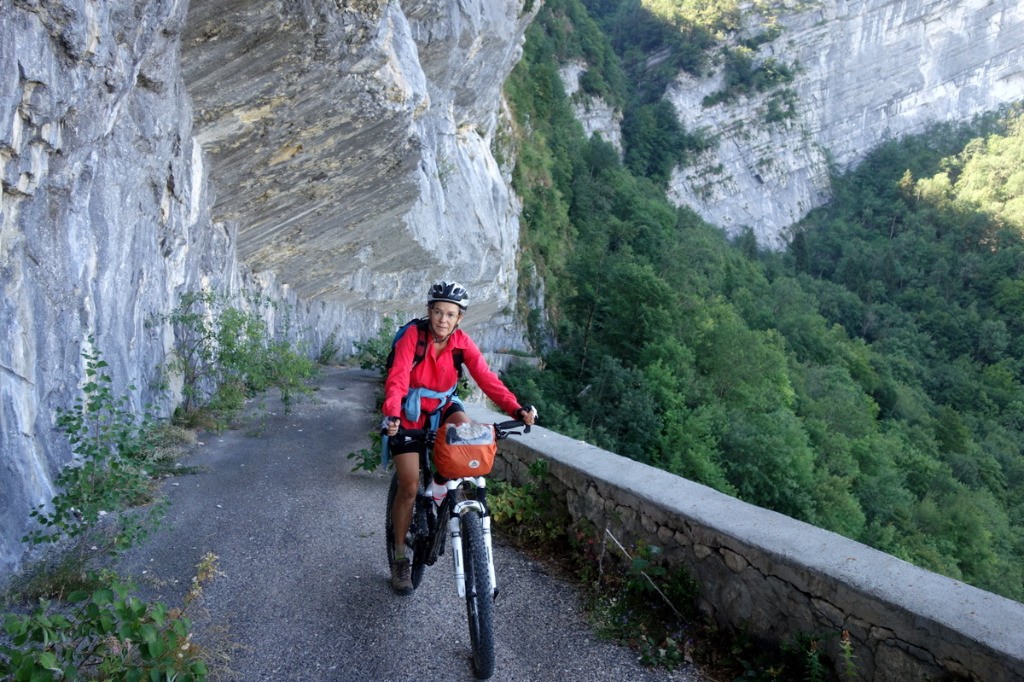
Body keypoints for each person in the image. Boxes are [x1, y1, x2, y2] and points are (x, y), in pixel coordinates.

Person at [381, 280, 536, 595]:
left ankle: (443, 495)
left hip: (443, 405)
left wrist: (516, 409)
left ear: (459, 318)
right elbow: (398, 377)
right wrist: (393, 414)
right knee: (409, 486)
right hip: (409, 411)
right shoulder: (414, 335)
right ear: (429, 311)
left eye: (450, 314)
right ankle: (400, 556)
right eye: (437, 312)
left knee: (465, 436)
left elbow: (487, 379)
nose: (442, 319)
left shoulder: (462, 343)